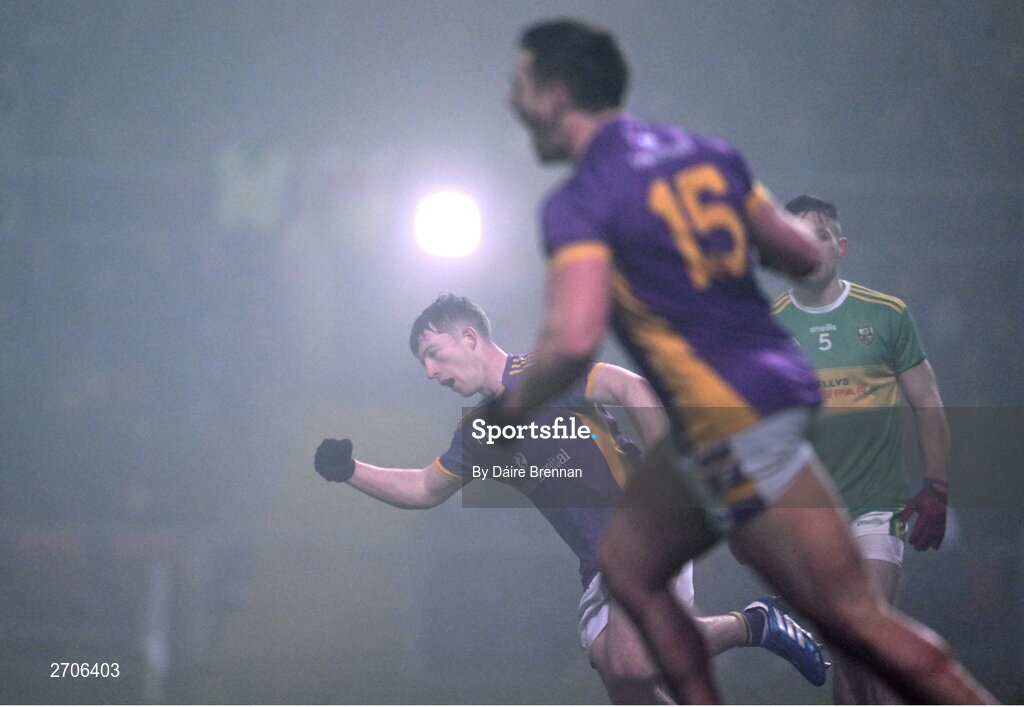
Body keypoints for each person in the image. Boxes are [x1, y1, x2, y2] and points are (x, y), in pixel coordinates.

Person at [501, 17, 994, 705]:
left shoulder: (578, 203)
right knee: (842, 617)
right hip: (777, 399)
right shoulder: (708, 156)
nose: (513, 102)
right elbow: (801, 255)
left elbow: (576, 339)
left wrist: (513, 404)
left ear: (557, 94)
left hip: (721, 416)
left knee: (635, 570)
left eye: (521, 85)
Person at [313, 294, 828, 704]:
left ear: (469, 337)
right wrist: (350, 470)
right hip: (597, 565)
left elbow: (635, 391)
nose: (430, 372)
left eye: (433, 354)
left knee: (631, 663)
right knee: (626, 684)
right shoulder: (481, 432)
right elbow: (425, 489)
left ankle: (753, 625)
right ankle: (755, 624)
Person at [771, 194, 950, 703]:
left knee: (867, 641)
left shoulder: (887, 315)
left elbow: (928, 402)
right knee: (846, 662)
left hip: (877, 505)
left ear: (841, 246)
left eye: (821, 235)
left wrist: (935, 487)